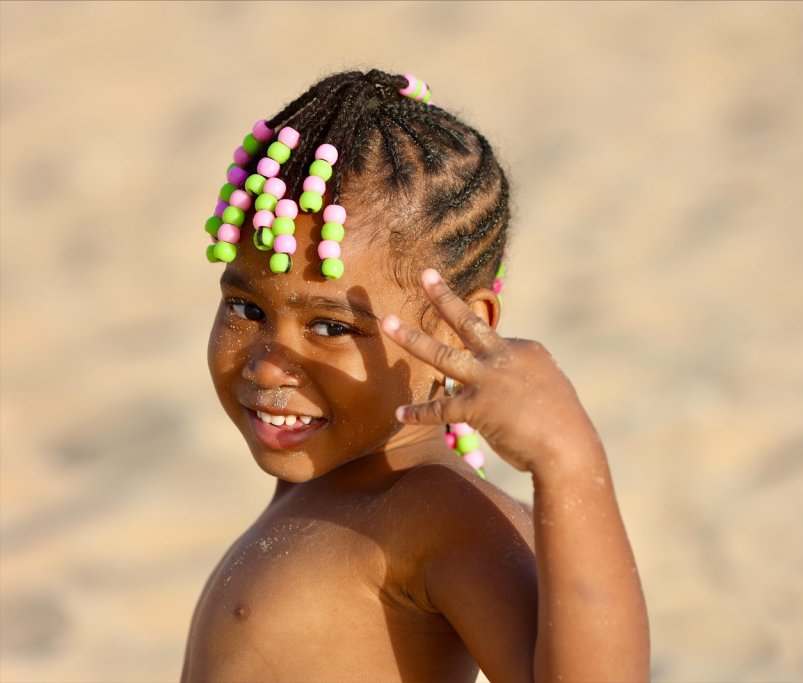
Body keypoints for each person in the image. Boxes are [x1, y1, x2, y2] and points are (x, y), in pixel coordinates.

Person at [181, 69, 649, 683]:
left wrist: (568, 459)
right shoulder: (323, 477)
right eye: (248, 310)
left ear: (456, 333)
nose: (268, 363)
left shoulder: (436, 512)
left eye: (332, 326)